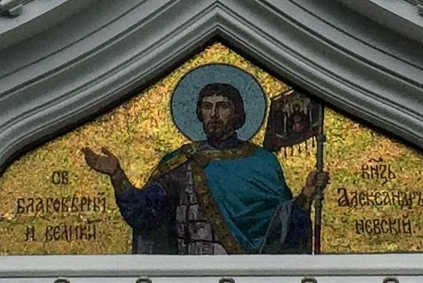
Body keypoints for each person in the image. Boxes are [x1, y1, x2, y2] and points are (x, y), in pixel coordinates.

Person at [82, 82, 325, 254]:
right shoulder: (182, 161)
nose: (214, 114)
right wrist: (117, 176)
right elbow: (146, 214)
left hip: (245, 275)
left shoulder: (261, 162)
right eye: (207, 107)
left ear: (237, 113)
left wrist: (305, 197)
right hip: (188, 274)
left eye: (222, 106)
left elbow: (279, 230)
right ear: (199, 112)